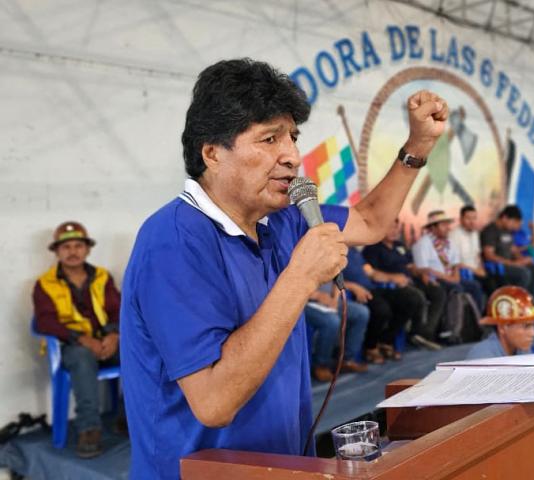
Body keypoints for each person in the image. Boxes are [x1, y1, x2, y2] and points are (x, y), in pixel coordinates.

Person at [120, 58, 448, 479]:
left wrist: (418, 146)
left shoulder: (283, 218)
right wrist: (301, 275)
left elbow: (370, 222)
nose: (292, 156)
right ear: (212, 153)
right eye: (269, 139)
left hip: (283, 466)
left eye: (292, 137)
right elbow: (215, 402)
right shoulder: (173, 241)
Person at [33, 221, 121, 458]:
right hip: (71, 347)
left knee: (142, 351)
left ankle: (128, 415)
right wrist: (82, 339)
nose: (72, 252)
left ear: (87, 249)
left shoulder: (102, 276)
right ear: (56, 252)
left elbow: (117, 309)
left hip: (106, 341)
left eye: (78, 246)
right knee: (82, 358)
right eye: (66, 247)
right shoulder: (45, 284)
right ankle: (89, 428)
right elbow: (44, 321)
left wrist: (113, 335)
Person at [363, 219, 445, 350]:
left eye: (396, 228)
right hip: (390, 287)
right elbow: (371, 272)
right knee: (414, 297)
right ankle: (405, 335)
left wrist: (422, 272)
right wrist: (393, 278)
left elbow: (410, 266)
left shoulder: (399, 246)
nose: (394, 231)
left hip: (410, 280)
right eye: (390, 228)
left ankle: (425, 333)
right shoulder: (373, 248)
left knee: (437, 291)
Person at [342, 247, 417, 364]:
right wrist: (352, 286)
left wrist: (393, 277)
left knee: (410, 300)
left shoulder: (354, 251)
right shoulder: (335, 252)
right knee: (382, 310)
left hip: (372, 287)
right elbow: (331, 279)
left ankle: (385, 340)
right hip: (354, 292)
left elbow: (371, 273)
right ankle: (370, 346)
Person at [413, 210, 485, 310]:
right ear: (433, 228)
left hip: (451, 278)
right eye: (444, 225)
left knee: (474, 286)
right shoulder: (422, 244)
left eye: (448, 224)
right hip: (436, 280)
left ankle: (476, 320)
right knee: (456, 289)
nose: (448, 228)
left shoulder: (450, 243)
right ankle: (453, 323)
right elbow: (424, 272)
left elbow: (455, 265)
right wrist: (449, 278)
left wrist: (455, 277)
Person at [304, 282, 369, 382]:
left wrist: (334, 299)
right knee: (332, 321)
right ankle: (321, 365)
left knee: (362, 313)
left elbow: (337, 279)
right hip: (305, 303)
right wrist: (316, 295)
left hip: (329, 300)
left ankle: (346, 360)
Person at [466, 286, 534, 359]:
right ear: (502, 327)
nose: (533, 333)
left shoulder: (522, 350)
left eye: (533, 325)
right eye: (526, 326)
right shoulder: (482, 357)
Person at [480, 205, 534, 294]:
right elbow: (489, 256)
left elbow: (513, 249)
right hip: (498, 267)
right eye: (513, 222)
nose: (514, 225)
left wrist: (522, 259)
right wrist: (513, 263)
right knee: (524, 273)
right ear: (504, 218)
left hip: (510, 263)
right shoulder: (490, 231)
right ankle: (515, 303)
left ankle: (529, 301)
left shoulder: (507, 231)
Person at [448, 205, 486, 278]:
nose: (472, 222)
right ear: (461, 219)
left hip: (477, 271)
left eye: (474, 218)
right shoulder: (454, 235)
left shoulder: (475, 233)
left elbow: (478, 255)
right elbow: (454, 262)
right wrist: (475, 271)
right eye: (468, 218)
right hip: (464, 273)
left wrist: (482, 268)